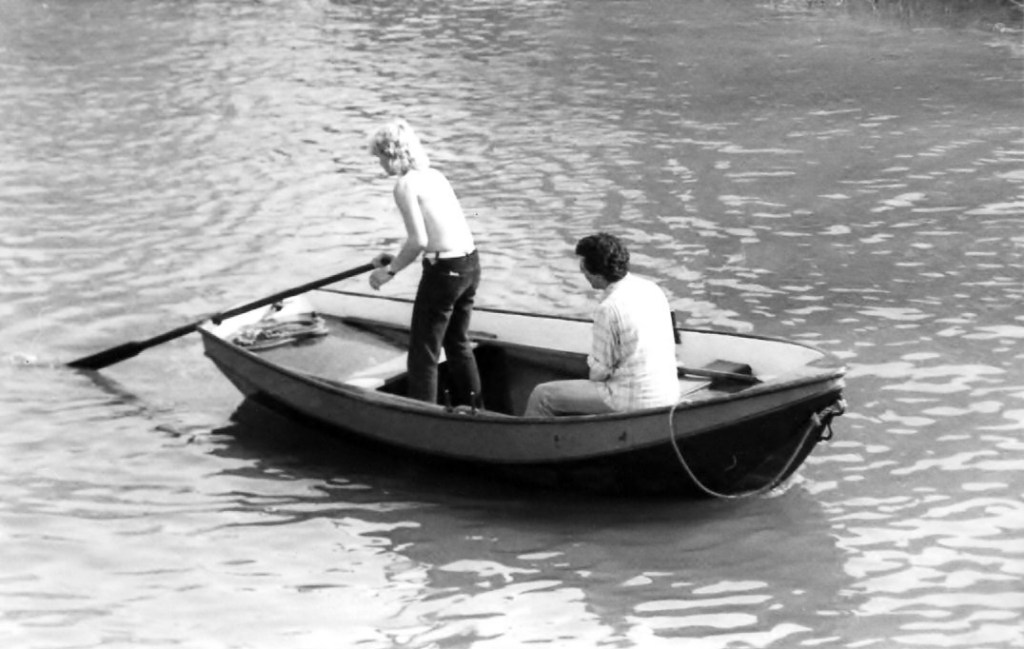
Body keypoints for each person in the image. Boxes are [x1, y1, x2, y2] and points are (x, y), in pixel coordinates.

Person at [366, 118, 482, 406]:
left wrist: (390, 271)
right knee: (457, 343)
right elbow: (435, 234)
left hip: (445, 273)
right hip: (470, 264)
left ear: (392, 154)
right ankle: (476, 409)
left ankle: (422, 418)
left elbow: (418, 241)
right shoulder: (434, 175)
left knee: (423, 353)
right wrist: (394, 258)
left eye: (380, 157)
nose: (379, 164)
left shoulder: (405, 185)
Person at [524, 233, 680, 417]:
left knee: (541, 395)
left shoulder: (607, 309)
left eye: (583, 268)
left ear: (597, 274)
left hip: (630, 399)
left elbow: (599, 373)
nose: (583, 273)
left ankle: (528, 436)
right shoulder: (652, 289)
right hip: (667, 393)